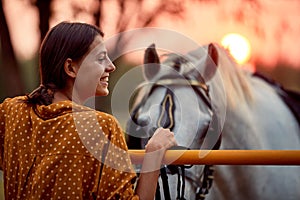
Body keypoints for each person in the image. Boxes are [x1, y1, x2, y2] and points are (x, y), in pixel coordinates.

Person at [0, 21, 177, 199]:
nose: (111, 66)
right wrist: (154, 153)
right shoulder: (101, 127)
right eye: (101, 58)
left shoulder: (12, 113)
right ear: (70, 68)